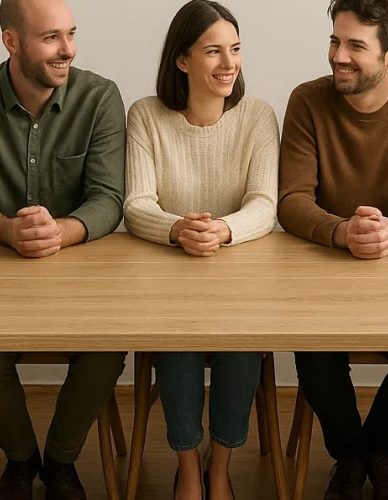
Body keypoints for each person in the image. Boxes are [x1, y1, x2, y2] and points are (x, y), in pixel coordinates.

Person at [0, 0, 127, 498]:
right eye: (50, 38)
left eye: (70, 34)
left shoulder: (100, 96)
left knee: (107, 349)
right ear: (11, 41)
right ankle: (21, 459)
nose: (68, 49)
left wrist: (61, 232)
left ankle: (61, 462)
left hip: (81, 275)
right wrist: (9, 231)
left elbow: (109, 199)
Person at [277, 0, 388, 498]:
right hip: (327, 274)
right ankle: (353, 456)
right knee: (315, 355)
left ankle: (372, 449)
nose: (339, 56)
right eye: (336, 41)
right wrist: (342, 232)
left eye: (356, 46)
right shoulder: (307, 101)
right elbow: (291, 200)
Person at [122, 1, 278, 499]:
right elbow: (136, 205)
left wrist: (223, 231)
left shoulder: (258, 116)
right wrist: (177, 230)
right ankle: (188, 465)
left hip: (239, 282)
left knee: (241, 344)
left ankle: (221, 466)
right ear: (183, 60)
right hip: (171, 282)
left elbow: (265, 205)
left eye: (235, 49)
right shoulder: (146, 115)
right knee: (176, 342)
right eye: (214, 51)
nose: (229, 63)